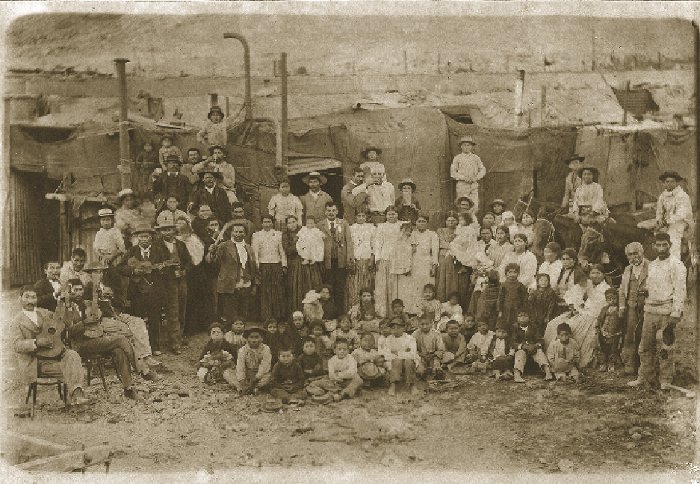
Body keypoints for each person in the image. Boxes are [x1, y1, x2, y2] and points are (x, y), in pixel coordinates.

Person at [56, 287, 140, 399]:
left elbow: (106, 314)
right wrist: (84, 324)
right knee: (121, 339)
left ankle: (128, 388)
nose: (78, 293)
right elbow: (66, 334)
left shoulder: (86, 305)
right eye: (74, 290)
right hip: (80, 345)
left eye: (80, 289)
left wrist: (100, 301)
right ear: (68, 293)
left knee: (119, 350)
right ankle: (141, 369)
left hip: (96, 341)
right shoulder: (63, 309)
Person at [10, 286, 88, 406]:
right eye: (27, 297)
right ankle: (76, 394)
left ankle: (76, 392)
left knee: (73, 354)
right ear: (20, 299)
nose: (30, 300)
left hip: (55, 355)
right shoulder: (17, 321)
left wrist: (67, 306)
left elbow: (65, 322)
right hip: (36, 362)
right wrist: (36, 343)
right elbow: (16, 345)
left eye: (33, 297)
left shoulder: (44, 313)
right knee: (71, 369)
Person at [628, 232, 687, 390]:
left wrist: (675, 314)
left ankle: (666, 379)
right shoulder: (652, 265)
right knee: (645, 347)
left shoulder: (677, 265)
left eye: (664, 245)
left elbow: (680, 291)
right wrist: (645, 292)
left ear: (670, 245)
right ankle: (644, 376)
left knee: (665, 347)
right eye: (658, 245)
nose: (661, 248)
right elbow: (653, 286)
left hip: (666, 312)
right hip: (650, 310)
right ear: (653, 246)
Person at [544, 264, 611, 368]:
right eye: (593, 273)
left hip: (591, 316)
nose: (595, 275)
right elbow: (570, 294)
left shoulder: (606, 289)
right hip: (578, 312)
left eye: (598, 273)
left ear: (603, 275)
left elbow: (598, 307)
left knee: (570, 327)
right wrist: (573, 306)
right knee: (553, 324)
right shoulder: (587, 283)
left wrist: (580, 308)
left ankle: (568, 360)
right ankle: (550, 358)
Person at [117, 225, 169, 354]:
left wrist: (163, 270)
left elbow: (168, 265)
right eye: (141, 236)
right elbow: (120, 267)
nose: (144, 239)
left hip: (155, 290)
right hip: (137, 292)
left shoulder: (159, 250)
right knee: (137, 319)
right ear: (137, 238)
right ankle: (138, 347)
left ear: (151, 237)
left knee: (155, 318)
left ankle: (155, 347)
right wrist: (133, 271)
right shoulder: (131, 251)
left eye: (146, 236)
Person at [156, 222, 192, 352]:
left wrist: (184, 271)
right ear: (160, 232)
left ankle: (179, 337)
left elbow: (189, 262)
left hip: (181, 281)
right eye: (164, 230)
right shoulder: (157, 246)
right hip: (167, 282)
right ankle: (174, 343)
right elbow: (156, 264)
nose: (167, 232)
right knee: (173, 311)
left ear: (174, 230)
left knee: (182, 309)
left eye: (169, 229)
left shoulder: (181, 245)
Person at [213, 223, 258, 322]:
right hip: (230, 284)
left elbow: (252, 267)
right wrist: (214, 251)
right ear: (232, 233)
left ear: (245, 233)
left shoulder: (248, 248)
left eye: (241, 232)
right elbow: (215, 262)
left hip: (245, 284)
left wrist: (253, 284)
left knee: (243, 313)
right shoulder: (224, 246)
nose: (238, 234)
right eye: (235, 231)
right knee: (230, 314)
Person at [618, 242, 649, 376]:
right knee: (630, 336)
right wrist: (622, 306)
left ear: (642, 253)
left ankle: (646, 367)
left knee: (646, 336)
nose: (633, 257)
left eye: (636, 253)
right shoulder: (627, 270)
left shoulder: (652, 267)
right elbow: (622, 290)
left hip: (648, 306)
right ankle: (631, 366)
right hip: (631, 306)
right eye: (630, 254)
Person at [319, 202, 354, 313]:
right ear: (325, 212)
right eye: (329, 211)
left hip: (340, 261)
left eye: (333, 210)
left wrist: (349, 259)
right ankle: (328, 313)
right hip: (327, 262)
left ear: (337, 211)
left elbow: (349, 241)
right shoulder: (320, 225)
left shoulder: (343, 224)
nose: (331, 213)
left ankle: (340, 313)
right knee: (328, 287)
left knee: (339, 288)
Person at [252, 214, 287, 321]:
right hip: (263, 265)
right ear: (261, 223)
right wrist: (257, 268)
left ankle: (278, 316)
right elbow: (255, 253)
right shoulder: (256, 235)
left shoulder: (278, 234)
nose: (267, 224)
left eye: (269, 222)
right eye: (265, 222)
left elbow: (282, 251)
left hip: (276, 265)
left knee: (277, 290)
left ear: (272, 223)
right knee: (265, 291)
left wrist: (284, 265)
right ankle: (266, 316)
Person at [284, 216, 322, 314]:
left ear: (297, 222)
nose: (292, 224)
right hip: (296, 264)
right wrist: (299, 243)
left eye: (294, 222)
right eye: (289, 223)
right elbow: (288, 250)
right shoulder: (286, 235)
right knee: (297, 286)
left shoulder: (305, 230)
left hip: (308, 262)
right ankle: (298, 312)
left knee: (310, 284)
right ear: (286, 225)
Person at [654, 170, 693, 260]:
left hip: (683, 222)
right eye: (667, 181)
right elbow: (659, 211)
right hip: (666, 222)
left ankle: (675, 260)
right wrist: (659, 220)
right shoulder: (662, 196)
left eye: (672, 181)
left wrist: (666, 221)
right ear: (664, 183)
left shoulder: (682, 195)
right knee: (652, 232)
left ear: (676, 182)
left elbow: (681, 213)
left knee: (673, 235)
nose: (670, 184)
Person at [373, 206, 403, 317]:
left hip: (399, 260)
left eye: (394, 213)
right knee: (384, 286)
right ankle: (384, 312)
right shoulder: (381, 227)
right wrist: (378, 259)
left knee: (396, 286)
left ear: (397, 214)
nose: (391, 216)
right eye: (389, 214)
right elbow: (377, 243)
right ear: (386, 216)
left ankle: (397, 313)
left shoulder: (402, 225)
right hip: (385, 258)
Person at [379, 319, 420, 396]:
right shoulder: (389, 339)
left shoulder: (410, 338)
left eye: (398, 327)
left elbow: (412, 354)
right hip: (395, 363)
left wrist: (397, 353)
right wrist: (402, 354)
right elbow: (387, 354)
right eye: (393, 328)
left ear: (403, 328)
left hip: (408, 361)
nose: (395, 330)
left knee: (409, 361)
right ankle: (393, 384)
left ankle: (412, 385)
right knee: (396, 360)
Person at [408, 213, 439, 315]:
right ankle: (415, 311)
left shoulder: (432, 235)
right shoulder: (412, 234)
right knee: (414, 286)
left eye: (423, 222)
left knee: (426, 285)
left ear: (427, 223)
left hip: (426, 263)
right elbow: (408, 251)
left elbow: (435, 252)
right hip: (415, 262)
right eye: (419, 221)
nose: (421, 224)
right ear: (415, 223)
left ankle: (428, 311)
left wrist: (434, 266)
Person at [512, 310, 553, 383]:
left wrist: (536, 345)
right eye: (520, 316)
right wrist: (522, 346)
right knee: (520, 353)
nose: (523, 318)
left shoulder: (533, 328)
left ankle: (547, 372)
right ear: (517, 318)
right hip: (522, 350)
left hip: (533, 349)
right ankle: (517, 374)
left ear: (529, 318)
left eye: (525, 316)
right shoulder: (515, 328)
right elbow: (512, 342)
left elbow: (540, 340)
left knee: (539, 352)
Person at [347, 210, 376, 308]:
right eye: (358, 216)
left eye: (363, 216)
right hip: (355, 260)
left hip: (367, 259)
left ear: (366, 217)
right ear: (355, 217)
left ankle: (368, 308)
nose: (361, 218)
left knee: (367, 283)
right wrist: (351, 260)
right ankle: (355, 308)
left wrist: (372, 258)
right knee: (355, 285)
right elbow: (349, 245)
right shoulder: (351, 228)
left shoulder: (371, 228)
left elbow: (374, 244)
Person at [450, 135, 485, 212]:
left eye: (468, 145)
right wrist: (463, 178)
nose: (466, 147)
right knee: (462, 205)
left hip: (473, 184)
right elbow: (453, 172)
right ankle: (462, 222)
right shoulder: (457, 158)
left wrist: (476, 178)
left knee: (474, 206)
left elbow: (482, 170)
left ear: (471, 147)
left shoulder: (476, 158)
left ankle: (472, 222)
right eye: (464, 145)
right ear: (461, 147)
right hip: (462, 185)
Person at [234, 327, 272, 395]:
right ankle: (241, 388)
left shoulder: (266, 349)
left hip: (259, 375)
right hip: (247, 373)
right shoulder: (242, 350)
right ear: (247, 338)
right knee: (228, 373)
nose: (254, 340)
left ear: (261, 339)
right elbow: (240, 366)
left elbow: (264, 366)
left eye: (257, 337)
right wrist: (242, 380)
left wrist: (256, 379)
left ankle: (254, 387)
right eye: (251, 337)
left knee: (269, 377)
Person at [596, 288, 623, 372]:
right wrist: (599, 328)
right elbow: (600, 319)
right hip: (604, 332)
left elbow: (622, 321)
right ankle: (603, 363)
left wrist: (620, 331)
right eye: (609, 299)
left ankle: (611, 363)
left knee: (613, 349)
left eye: (614, 298)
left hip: (614, 333)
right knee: (603, 348)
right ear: (606, 300)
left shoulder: (619, 310)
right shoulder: (604, 309)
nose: (612, 301)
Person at [435, 211, 459, 302]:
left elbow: (460, 244)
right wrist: (452, 245)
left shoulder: (459, 231)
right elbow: (440, 243)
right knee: (441, 273)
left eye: (453, 220)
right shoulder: (440, 231)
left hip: (456, 255)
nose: (451, 222)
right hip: (443, 254)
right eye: (448, 220)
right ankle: (441, 298)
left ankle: (452, 299)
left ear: (457, 221)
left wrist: (453, 247)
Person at [497, 263, 528, 330]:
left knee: (516, 324)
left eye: (515, 272)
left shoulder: (520, 285)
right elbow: (500, 298)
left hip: (517, 308)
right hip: (506, 308)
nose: (512, 274)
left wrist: (523, 310)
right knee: (506, 324)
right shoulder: (503, 285)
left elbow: (524, 298)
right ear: (506, 273)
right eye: (510, 272)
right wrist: (500, 310)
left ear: (518, 274)